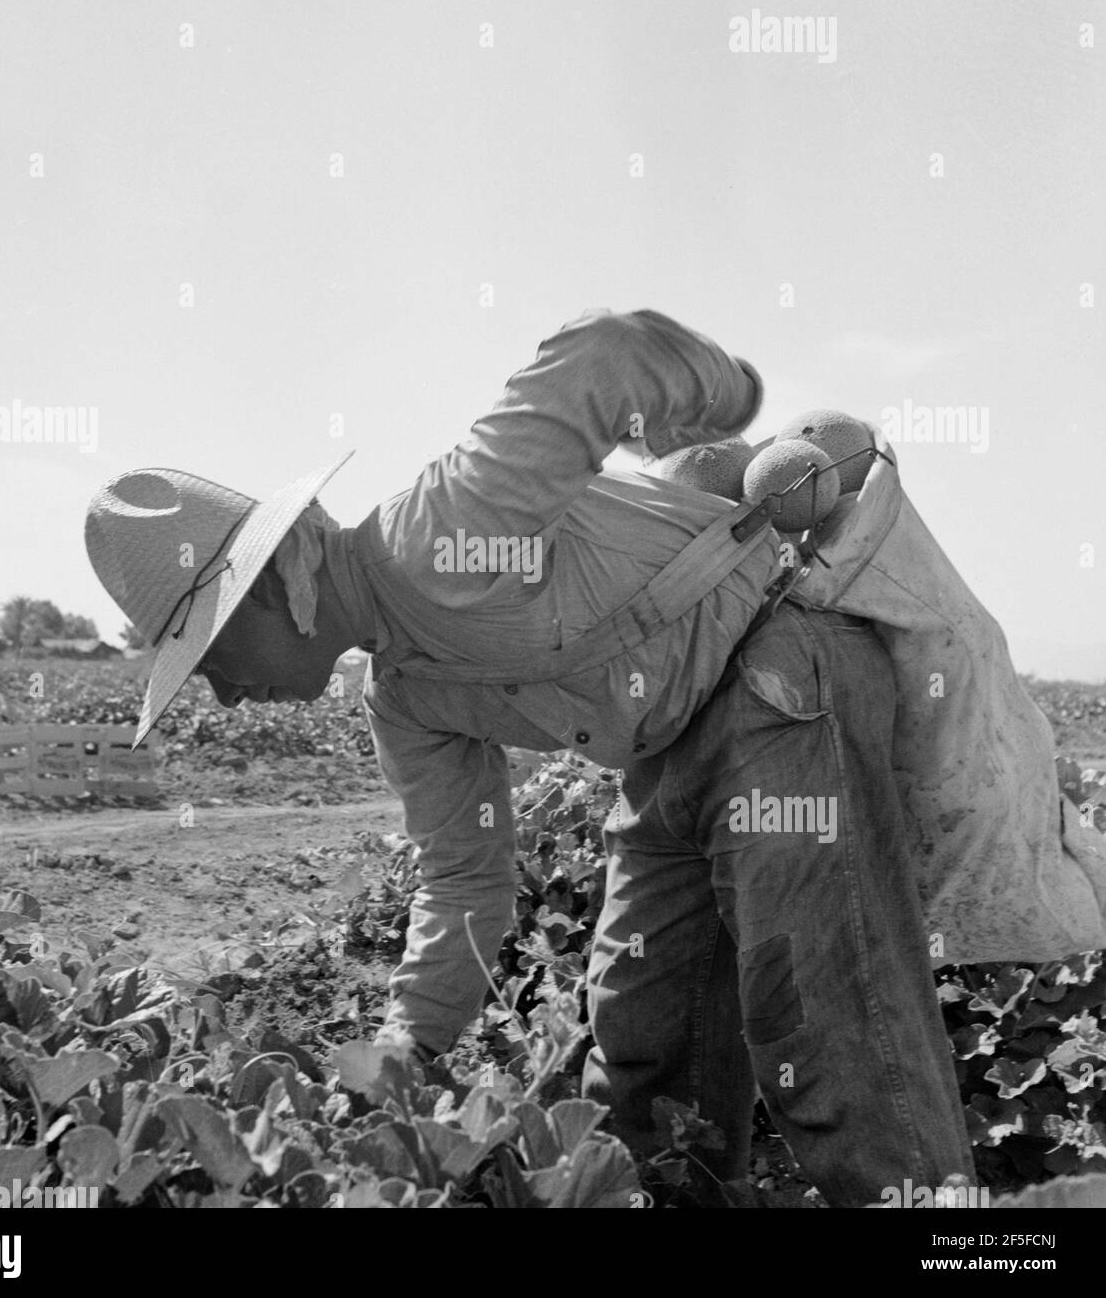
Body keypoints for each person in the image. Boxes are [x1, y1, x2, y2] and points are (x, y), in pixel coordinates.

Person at [84, 308, 974, 1206]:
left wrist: (726, 399)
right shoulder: (403, 701)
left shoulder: (437, 533)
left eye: (210, 657)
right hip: (668, 751)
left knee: (823, 1017)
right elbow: (463, 878)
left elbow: (607, 353)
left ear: (277, 587)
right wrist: (408, 1043)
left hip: (781, 679)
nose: (226, 695)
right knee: (645, 1043)